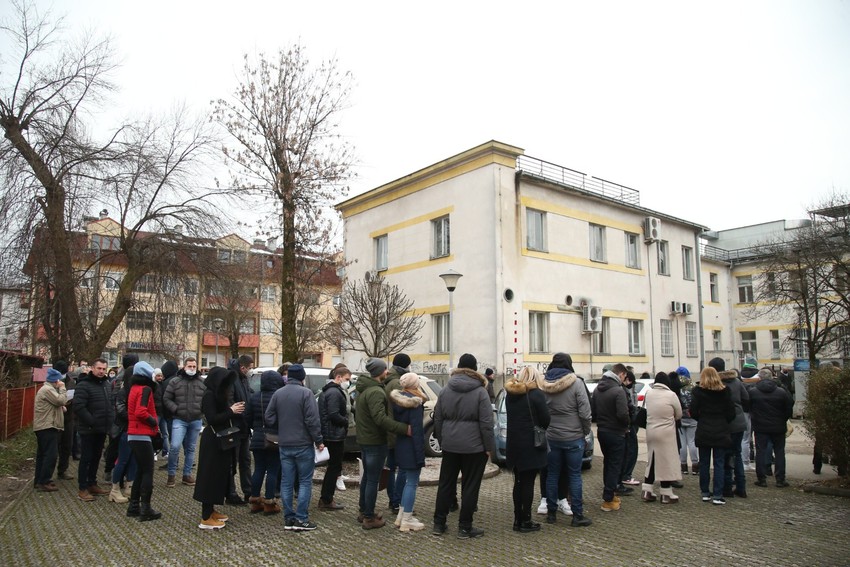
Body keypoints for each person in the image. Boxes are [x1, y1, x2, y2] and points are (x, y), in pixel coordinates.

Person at [432, 353, 495, 539]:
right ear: (475, 369)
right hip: (474, 447)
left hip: (450, 445)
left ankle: (439, 524)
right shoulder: (481, 392)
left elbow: (438, 418)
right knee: (470, 486)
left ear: (459, 367)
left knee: (445, 484)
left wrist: (442, 439)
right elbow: (486, 423)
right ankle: (465, 527)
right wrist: (488, 446)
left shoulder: (445, 390)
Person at [265, 364, 324, 531]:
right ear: (302, 377)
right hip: (303, 443)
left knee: (286, 482)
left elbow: (268, 417)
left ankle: (288, 518)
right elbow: (313, 420)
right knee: (305, 482)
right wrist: (318, 440)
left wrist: (282, 427)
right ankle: (302, 519)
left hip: (284, 444)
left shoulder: (278, 393)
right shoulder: (307, 394)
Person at [355, 358, 410, 530]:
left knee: (367, 478)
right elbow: (380, 418)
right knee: (372, 479)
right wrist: (402, 428)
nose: (387, 371)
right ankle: (369, 518)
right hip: (374, 441)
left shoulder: (364, 390)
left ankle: (365, 511)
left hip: (365, 440)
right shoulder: (376, 392)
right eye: (385, 369)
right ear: (380, 372)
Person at [538, 352, 592, 526]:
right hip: (573, 437)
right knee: (574, 475)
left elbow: (541, 413)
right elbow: (585, 413)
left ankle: (551, 513)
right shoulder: (576, 383)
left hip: (552, 437)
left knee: (552, 474)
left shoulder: (544, 384)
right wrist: (584, 432)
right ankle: (577, 515)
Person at [193, 367, 243, 530]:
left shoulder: (217, 394)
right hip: (213, 441)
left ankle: (211, 510)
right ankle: (205, 517)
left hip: (221, 440)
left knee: (218, 476)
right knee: (209, 476)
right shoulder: (209, 395)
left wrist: (233, 410)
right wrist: (231, 410)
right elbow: (212, 419)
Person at [505, 366, 550, 533]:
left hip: (514, 444)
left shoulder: (510, 396)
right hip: (531, 445)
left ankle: (517, 519)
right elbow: (546, 420)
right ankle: (526, 520)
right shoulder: (536, 395)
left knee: (518, 482)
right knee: (528, 483)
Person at [690, 366, 736, 505]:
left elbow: (693, 411)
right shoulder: (725, 391)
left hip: (704, 429)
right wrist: (723, 421)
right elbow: (731, 413)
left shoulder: (697, 392)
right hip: (721, 429)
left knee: (704, 463)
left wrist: (702, 419)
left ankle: (705, 492)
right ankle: (717, 494)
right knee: (719, 463)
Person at [390, 372, 428, 532]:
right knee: (412, 483)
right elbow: (417, 431)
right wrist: (420, 454)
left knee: (406, 481)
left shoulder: (398, 400)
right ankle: (407, 519)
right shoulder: (415, 403)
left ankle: (401, 516)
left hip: (401, 445)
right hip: (411, 447)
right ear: (415, 384)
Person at [73, 358, 114, 502]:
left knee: (97, 457)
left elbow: (110, 404)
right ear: (92, 368)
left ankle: (92, 483)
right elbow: (78, 406)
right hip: (88, 429)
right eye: (99, 368)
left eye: (104, 369)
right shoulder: (84, 385)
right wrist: (92, 421)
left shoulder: (107, 384)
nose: (102, 371)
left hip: (102, 429)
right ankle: (82, 488)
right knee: (86, 458)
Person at [592, 363, 630, 512]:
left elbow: (593, 412)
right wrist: (627, 423)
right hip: (616, 432)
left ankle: (610, 493)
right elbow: (622, 414)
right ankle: (608, 499)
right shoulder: (618, 391)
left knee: (608, 463)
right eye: (624, 377)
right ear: (620, 374)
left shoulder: (597, 390)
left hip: (602, 431)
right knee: (614, 465)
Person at [245, 369, 285, 515]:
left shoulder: (255, 397)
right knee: (273, 471)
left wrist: (255, 428)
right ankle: (269, 502)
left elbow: (247, 417)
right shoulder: (279, 397)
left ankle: (255, 500)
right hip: (274, 439)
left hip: (257, 438)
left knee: (259, 469)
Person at [126, 361, 161, 521]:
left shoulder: (134, 388)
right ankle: (145, 508)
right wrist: (154, 422)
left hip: (133, 433)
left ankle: (133, 506)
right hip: (142, 434)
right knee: (148, 470)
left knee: (140, 470)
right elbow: (140, 411)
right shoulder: (146, 389)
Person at [642, 373, 683, 503]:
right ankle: (666, 493)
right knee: (666, 462)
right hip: (666, 433)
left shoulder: (649, 394)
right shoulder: (671, 395)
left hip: (651, 431)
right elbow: (679, 414)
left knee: (652, 460)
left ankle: (647, 490)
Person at [750, 368, 794, 488]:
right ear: (772, 377)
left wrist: (755, 419)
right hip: (778, 426)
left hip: (760, 426)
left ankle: (762, 478)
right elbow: (789, 407)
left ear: (759, 378)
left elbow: (748, 407)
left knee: (760, 452)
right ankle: (780, 479)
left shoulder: (753, 392)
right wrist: (783, 419)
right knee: (779, 452)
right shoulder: (781, 392)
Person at [163, 357, 204, 488]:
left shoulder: (202, 382)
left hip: (196, 420)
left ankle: (187, 474)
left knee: (191, 448)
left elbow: (206, 400)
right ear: (184, 367)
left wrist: (201, 411)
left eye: (194, 366)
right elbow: (166, 398)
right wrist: (176, 409)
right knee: (175, 446)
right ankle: (171, 474)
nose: (192, 369)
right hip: (179, 419)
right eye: (189, 366)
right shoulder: (176, 381)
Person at [318, 366, 351, 511]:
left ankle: (326, 498)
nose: (348, 382)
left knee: (333, 467)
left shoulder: (329, 391)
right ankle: (326, 499)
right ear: (338, 377)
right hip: (334, 435)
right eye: (347, 379)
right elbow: (333, 414)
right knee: (334, 467)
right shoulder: (334, 392)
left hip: (332, 434)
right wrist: (345, 421)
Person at [383, 353, 411, 514]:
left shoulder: (389, 379)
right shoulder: (397, 383)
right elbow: (403, 407)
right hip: (398, 430)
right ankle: (397, 501)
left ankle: (393, 500)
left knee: (391, 467)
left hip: (389, 430)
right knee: (403, 468)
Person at [34, 368, 67, 492]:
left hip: (44, 426)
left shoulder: (46, 389)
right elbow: (61, 400)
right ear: (56, 380)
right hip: (47, 426)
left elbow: (54, 404)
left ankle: (39, 480)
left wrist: (60, 408)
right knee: (50, 455)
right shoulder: (47, 389)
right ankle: (44, 481)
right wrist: (63, 388)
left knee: (43, 454)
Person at [227, 355, 254, 504]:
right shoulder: (232, 379)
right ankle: (231, 493)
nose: (251, 371)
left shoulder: (244, 379)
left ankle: (248, 492)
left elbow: (248, 397)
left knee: (246, 460)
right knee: (233, 462)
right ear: (242, 367)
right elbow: (230, 402)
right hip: (235, 427)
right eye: (249, 368)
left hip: (244, 427)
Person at [720, 366, 751, 498]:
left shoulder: (718, 384)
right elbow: (746, 398)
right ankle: (741, 487)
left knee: (726, 455)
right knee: (737, 454)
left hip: (725, 423)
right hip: (739, 421)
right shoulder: (738, 382)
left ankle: (727, 487)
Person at [52, 360, 76, 481]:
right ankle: (49, 472)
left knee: (67, 445)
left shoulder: (71, 382)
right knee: (54, 446)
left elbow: (73, 396)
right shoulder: (51, 382)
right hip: (55, 418)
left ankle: (63, 470)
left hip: (68, 418)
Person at [153, 360, 178, 461]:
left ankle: (172, 461)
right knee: (169, 437)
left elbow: (165, 400)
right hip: (173, 415)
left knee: (170, 438)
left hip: (167, 414)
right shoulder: (178, 380)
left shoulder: (166, 383)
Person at [620, 370, 641, 487]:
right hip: (627, 425)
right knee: (631, 450)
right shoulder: (622, 390)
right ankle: (626, 476)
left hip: (626, 425)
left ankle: (624, 476)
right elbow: (627, 409)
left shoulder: (623, 389)